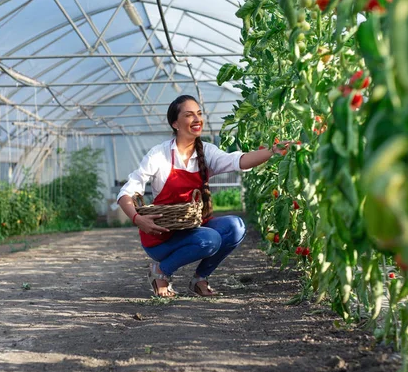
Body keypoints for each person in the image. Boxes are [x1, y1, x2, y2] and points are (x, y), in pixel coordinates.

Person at [116, 95, 289, 297]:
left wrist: (273, 151)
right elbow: (127, 192)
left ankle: (199, 279)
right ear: (175, 123)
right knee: (211, 238)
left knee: (236, 227)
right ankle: (161, 271)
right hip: (162, 237)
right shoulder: (159, 155)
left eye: (199, 113)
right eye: (189, 115)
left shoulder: (206, 152)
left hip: (192, 228)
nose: (197, 119)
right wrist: (137, 219)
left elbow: (240, 161)